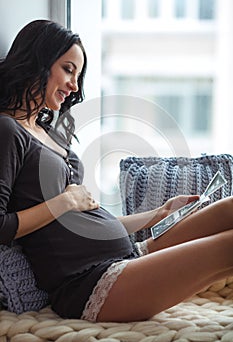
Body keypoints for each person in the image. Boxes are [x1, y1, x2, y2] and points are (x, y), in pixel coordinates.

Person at [0, 19, 233, 323]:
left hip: (128, 256)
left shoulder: (48, 133)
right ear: (39, 61)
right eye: (68, 69)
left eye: (78, 75)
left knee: (229, 209)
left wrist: (158, 214)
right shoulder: (8, 130)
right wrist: (66, 201)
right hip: (91, 284)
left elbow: (83, 225)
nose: (74, 85)